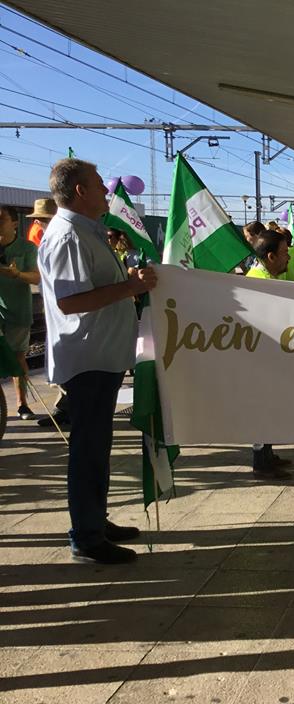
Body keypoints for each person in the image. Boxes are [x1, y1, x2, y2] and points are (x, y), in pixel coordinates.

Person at [38, 158, 157, 564]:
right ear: (80, 191)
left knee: (97, 447)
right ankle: (86, 537)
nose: (107, 190)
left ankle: (95, 520)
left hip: (100, 356)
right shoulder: (69, 236)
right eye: (98, 184)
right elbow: (70, 301)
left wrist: (128, 284)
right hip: (87, 358)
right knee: (88, 450)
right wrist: (129, 287)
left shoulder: (86, 232)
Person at [245, 230, 294, 479]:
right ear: (272, 256)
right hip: (260, 360)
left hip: (271, 358)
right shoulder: (257, 281)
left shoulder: (268, 277)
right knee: (260, 409)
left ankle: (267, 454)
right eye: (285, 253)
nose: (288, 258)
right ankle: (260, 462)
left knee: (270, 407)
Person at [0, 205, 41, 420]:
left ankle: (22, 404)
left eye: (1, 220)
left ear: (14, 224)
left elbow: (36, 278)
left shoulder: (27, 248)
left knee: (17, 358)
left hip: (18, 311)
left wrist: (17, 274)